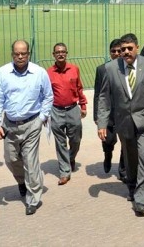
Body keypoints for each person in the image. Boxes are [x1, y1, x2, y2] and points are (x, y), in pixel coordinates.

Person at [97, 33, 144, 216]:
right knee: (130, 157)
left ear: (136, 47)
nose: (126, 52)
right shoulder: (111, 68)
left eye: (130, 48)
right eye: (123, 49)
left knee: (143, 155)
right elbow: (104, 97)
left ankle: (141, 198)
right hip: (124, 122)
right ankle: (131, 185)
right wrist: (102, 123)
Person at [0, 40, 53, 215]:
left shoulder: (39, 73)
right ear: (12, 54)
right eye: (17, 53)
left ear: (28, 54)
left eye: (23, 53)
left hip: (32, 123)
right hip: (9, 124)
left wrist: (42, 118)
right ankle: (21, 182)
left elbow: (48, 96)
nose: (20, 56)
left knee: (30, 162)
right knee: (11, 159)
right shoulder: (3, 73)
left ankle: (33, 199)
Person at [47, 42, 87, 185]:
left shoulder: (74, 69)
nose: (60, 54)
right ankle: (64, 171)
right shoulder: (48, 72)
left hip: (72, 109)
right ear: (53, 55)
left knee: (76, 138)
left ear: (66, 53)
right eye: (58, 52)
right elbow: (45, 94)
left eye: (63, 51)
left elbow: (79, 88)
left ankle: (70, 157)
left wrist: (83, 105)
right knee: (60, 142)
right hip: (56, 110)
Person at [93, 39, 126, 181]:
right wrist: (97, 116)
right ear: (110, 52)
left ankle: (123, 170)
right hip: (108, 114)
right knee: (108, 141)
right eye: (114, 51)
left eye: (119, 51)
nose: (117, 53)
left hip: (124, 113)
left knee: (127, 142)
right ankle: (108, 156)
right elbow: (97, 93)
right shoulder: (102, 69)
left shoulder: (128, 68)